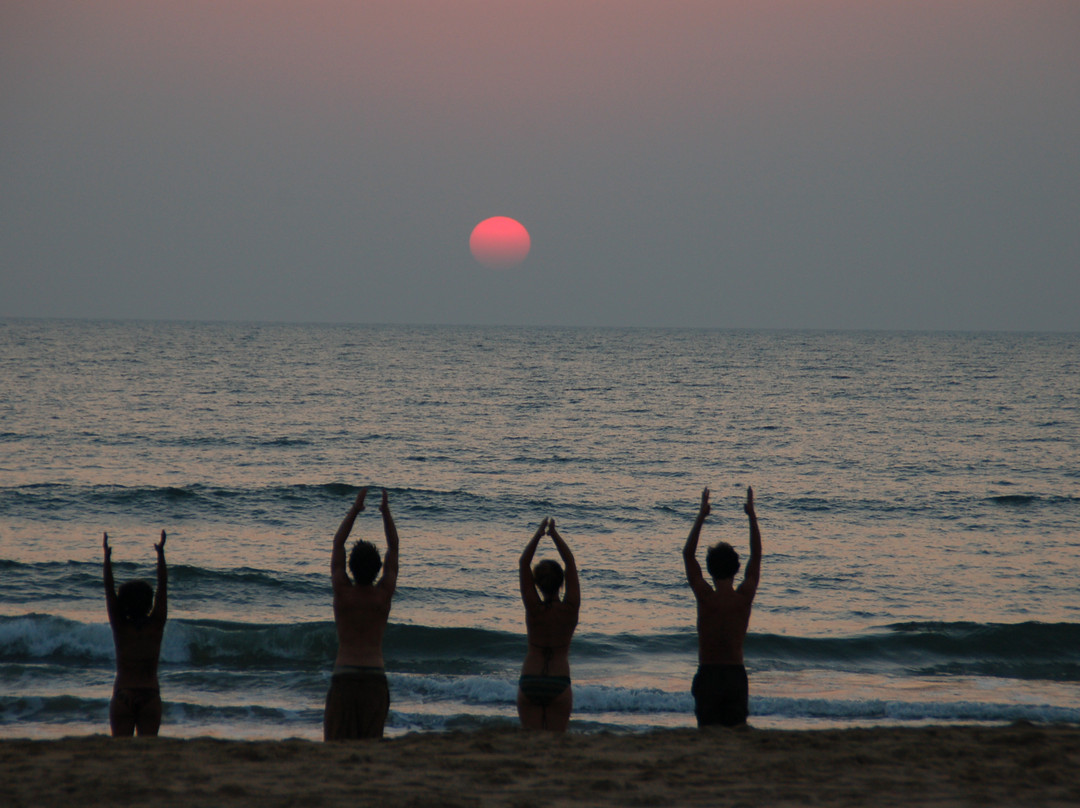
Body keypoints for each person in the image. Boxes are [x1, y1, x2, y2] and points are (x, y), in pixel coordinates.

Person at [324, 486, 399, 740]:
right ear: (378, 568)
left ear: (350, 567)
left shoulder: (342, 593)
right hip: (374, 677)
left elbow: (337, 543)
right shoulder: (383, 596)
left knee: (337, 744)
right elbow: (394, 548)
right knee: (371, 744)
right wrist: (385, 512)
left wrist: (356, 509)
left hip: (344, 676)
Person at [682, 486, 761, 727]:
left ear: (710, 569)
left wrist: (701, 515)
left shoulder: (706, 597)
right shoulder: (744, 597)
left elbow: (687, 554)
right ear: (737, 568)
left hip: (709, 673)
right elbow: (757, 555)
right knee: (737, 734)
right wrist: (751, 516)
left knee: (707, 733)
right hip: (735, 674)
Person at [102, 530, 168, 737]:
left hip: (123, 694)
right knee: (148, 754)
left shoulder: (121, 627)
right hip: (150, 695)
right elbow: (163, 587)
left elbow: (108, 589)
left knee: (120, 754)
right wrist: (161, 554)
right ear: (149, 603)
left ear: (124, 604)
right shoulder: (155, 625)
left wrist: (106, 557)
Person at [517, 517, 580, 731]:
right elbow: (570, 563)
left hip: (530, 679)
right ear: (561, 582)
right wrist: (554, 535)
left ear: (537, 583)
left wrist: (538, 534)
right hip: (558, 681)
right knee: (556, 745)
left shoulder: (533, 608)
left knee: (531, 744)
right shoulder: (570, 608)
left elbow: (523, 563)